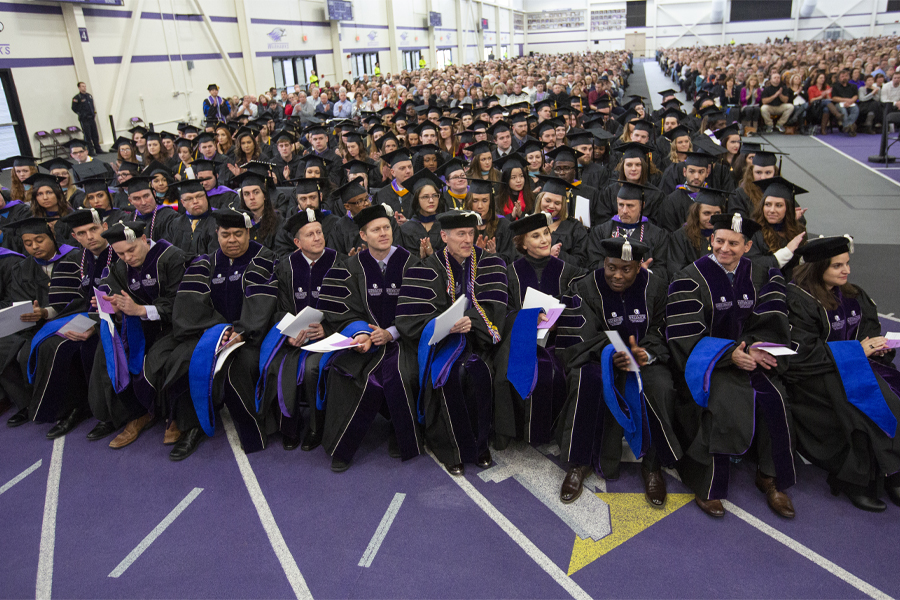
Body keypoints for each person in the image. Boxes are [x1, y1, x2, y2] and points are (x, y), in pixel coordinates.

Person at [666, 212, 796, 519]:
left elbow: (771, 319)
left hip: (751, 358)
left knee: (776, 397)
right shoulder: (689, 277)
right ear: (711, 240)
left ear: (748, 245)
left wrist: (753, 348)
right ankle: (709, 482)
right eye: (720, 241)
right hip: (709, 365)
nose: (725, 248)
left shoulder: (761, 274)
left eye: (734, 243)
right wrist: (728, 355)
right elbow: (684, 336)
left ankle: (770, 476)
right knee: (724, 401)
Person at [555, 237, 680, 505]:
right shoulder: (585, 287)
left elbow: (661, 328)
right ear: (604, 263)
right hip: (598, 358)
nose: (617, 276)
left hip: (642, 359)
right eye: (612, 267)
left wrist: (646, 352)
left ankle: (652, 465)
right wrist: (611, 354)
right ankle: (580, 462)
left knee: (661, 386)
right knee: (585, 380)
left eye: (626, 269)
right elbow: (579, 337)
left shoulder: (656, 287)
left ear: (639, 267)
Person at [785, 236, 900, 512]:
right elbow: (802, 355)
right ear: (817, 267)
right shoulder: (798, 300)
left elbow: (869, 333)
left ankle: (893, 472)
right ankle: (856, 480)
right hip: (814, 376)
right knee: (859, 408)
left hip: (855, 367)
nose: (846, 271)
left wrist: (881, 348)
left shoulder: (852, 294)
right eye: (837, 266)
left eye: (847, 264)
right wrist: (857, 351)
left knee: (889, 393)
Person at [395, 209, 508, 475]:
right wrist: (442, 325)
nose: (468, 240)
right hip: (441, 345)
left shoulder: (492, 264)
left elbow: (496, 307)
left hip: (479, 342)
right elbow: (411, 316)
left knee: (478, 372)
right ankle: (450, 449)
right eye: (460, 234)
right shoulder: (426, 267)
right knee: (450, 374)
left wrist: (472, 321)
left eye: (471, 233)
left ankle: (480, 446)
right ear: (444, 236)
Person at [162, 208, 277, 461]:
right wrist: (217, 331)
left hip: (249, 336)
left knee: (242, 366)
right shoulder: (205, 263)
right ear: (217, 233)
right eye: (226, 234)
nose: (232, 240)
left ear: (249, 233)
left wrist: (242, 330)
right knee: (183, 360)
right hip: (210, 334)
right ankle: (193, 427)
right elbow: (189, 304)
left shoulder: (264, 259)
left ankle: (253, 429)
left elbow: (263, 303)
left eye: (238, 233)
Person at [316, 203, 423, 471]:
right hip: (365, 341)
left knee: (402, 374)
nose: (383, 233)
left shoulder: (411, 262)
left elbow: (421, 307)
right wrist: (362, 333)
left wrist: (392, 332)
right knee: (344, 373)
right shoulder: (350, 266)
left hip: (404, 340)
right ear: (363, 236)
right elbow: (340, 308)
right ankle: (343, 445)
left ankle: (400, 433)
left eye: (387, 227)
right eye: (376, 230)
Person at [87, 220, 188, 447]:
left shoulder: (172, 257)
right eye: (120, 253)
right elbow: (110, 288)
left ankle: (176, 417)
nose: (128, 258)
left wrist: (140, 310)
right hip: (141, 326)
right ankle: (138, 414)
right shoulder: (122, 266)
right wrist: (111, 304)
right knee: (110, 353)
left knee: (163, 359)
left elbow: (183, 304)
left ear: (144, 239)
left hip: (177, 327)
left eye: (131, 250)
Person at [493, 212, 587, 448]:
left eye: (546, 233)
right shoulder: (510, 273)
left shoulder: (569, 272)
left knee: (552, 371)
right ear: (522, 243)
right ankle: (511, 431)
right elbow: (503, 312)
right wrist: (529, 318)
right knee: (505, 371)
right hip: (520, 339)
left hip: (558, 340)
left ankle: (551, 430)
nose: (544, 239)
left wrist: (560, 320)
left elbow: (581, 308)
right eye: (535, 236)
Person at [257, 208, 341, 451]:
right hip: (296, 337)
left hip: (330, 336)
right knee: (277, 366)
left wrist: (327, 327)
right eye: (310, 234)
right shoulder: (285, 266)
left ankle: (317, 428)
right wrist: (290, 333)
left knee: (314, 369)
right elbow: (280, 308)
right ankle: (289, 427)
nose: (317, 238)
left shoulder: (341, 262)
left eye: (319, 232)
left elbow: (349, 305)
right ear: (297, 242)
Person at [0, 217, 80, 430]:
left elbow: (80, 298)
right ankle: (27, 402)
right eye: (28, 243)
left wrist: (46, 312)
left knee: (38, 350)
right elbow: (20, 301)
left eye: (39, 240)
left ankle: (69, 408)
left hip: (71, 319)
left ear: (52, 237)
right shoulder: (22, 267)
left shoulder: (75, 258)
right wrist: (29, 314)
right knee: (3, 346)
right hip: (35, 324)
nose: (34, 247)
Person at [588, 180, 670, 281]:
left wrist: (644, 272)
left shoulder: (658, 235)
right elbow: (593, 264)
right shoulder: (601, 232)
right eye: (621, 205)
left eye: (630, 206)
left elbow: (662, 269)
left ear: (642, 206)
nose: (624, 211)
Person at [747, 177, 807, 274]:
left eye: (778, 205)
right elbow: (752, 264)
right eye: (768, 204)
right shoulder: (752, 230)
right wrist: (787, 252)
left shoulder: (798, 231)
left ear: (788, 208)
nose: (772, 210)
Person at [667, 188, 724, 275]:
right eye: (706, 213)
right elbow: (677, 270)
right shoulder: (681, 236)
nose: (712, 218)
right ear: (697, 213)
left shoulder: (726, 236)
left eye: (717, 213)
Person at [395, 169, 446, 258]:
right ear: (416, 200)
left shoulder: (446, 226)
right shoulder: (406, 229)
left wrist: (433, 254)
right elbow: (400, 260)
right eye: (425, 197)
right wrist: (419, 257)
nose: (431, 200)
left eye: (434, 195)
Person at [169, 179, 219, 256]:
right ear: (182, 202)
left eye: (199, 196)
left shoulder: (217, 222)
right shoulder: (175, 224)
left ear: (206, 197)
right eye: (189, 199)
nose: (195, 201)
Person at [71, 82, 103, 155]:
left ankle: (98, 149)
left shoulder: (89, 96)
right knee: (87, 135)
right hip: (84, 119)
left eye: (85, 86)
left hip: (91, 118)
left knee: (95, 134)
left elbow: (92, 106)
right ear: (79, 88)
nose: (84, 88)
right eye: (82, 86)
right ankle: (90, 151)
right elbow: (74, 108)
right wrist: (81, 114)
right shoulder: (77, 98)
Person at [830, 69, 860, 136]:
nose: (844, 78)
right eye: (842, 76)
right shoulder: (835, 86)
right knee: (843, 111)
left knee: (856, 109)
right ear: (839, 78)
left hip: (851, 103)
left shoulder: (853, 86)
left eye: (846, 76)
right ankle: (849, 127)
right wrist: (846, 100)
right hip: (839, 103)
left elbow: (856, 96)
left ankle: (848, 126)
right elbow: (834, 98)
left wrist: (850, 101)